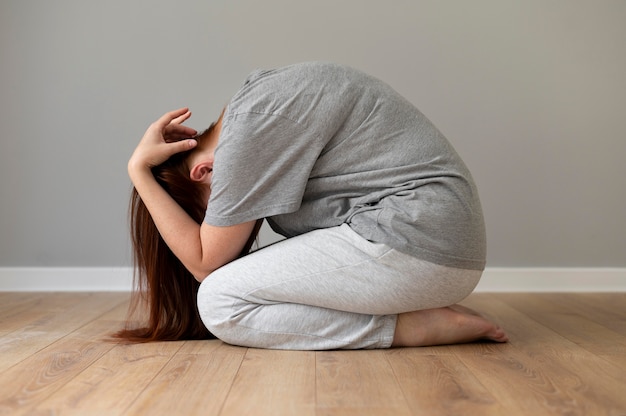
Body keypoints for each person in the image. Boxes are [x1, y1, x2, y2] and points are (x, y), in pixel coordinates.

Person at [116, 62, 508, 349]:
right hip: (431, 238)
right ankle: (411, 315)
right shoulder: (255, 106)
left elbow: (205, 263)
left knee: (219, 301)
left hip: (414, 237)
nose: (228, 222)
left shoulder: (248, 135)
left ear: (203, 173)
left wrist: (139, 171)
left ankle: (410, 328)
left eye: (209, 214)